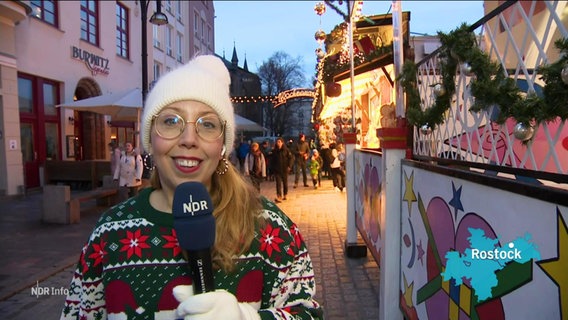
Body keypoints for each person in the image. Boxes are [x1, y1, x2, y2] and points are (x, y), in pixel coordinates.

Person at [60, 55, 322, 320]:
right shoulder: (110, 232)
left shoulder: (269, 226)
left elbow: (309, 312)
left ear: (222, 144)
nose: (188, 139)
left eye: (207, 124)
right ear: (151, 138)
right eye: (171, 121)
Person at [270, 137, 294, 203]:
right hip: (277, 170)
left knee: (285, 183)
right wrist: (272, 169)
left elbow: (291, 158)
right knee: (278, 184)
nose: (278, 143)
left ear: (282, 143)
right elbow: (272, 160)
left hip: (284, 169)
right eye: (277, 142)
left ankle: (285, 194)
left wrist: (289, 166)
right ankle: (279, 196)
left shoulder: (286, 150)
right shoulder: (274, 151)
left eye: (279, 142)